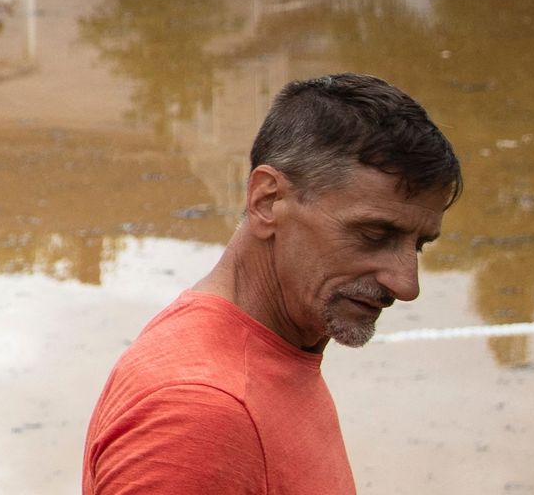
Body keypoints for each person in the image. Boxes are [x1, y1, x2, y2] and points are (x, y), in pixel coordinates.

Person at [82, 73, 463, 494]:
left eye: (420, 245)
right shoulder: (203, 414)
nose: (406, 284)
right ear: (267, 200)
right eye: (374, 235)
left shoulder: (275, 349)